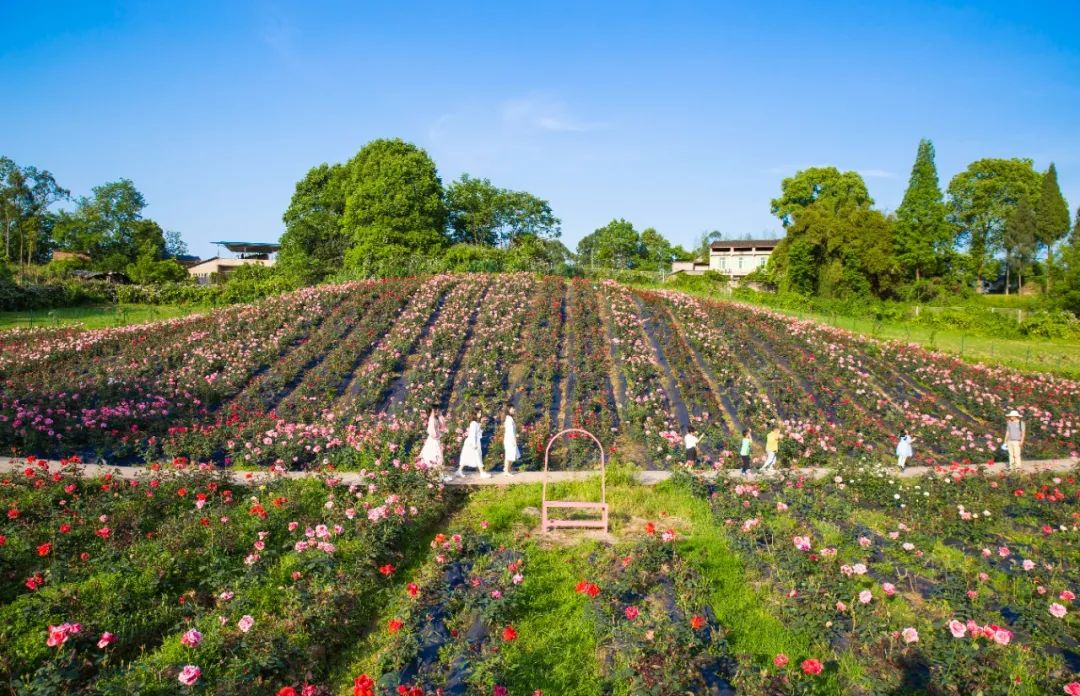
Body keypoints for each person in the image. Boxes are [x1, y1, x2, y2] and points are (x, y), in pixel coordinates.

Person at [457, 408, 490, 479]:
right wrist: (474, 445)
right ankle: (482, 473)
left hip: (474, 442)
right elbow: (472, 434)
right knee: (477, 457)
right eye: (478, 413)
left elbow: (479, 432)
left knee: (467, 457)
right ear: (474, 414)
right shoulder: (473, 423)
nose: (480, 414)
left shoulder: (476, 423)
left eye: (480, 413)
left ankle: (459, 471)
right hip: (472, 443)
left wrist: (481, 423)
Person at [419, 405, 449, 480]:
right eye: (434, 410)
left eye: (437, 410)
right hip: (433, 440)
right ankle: (431, 473)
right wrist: (437, 435)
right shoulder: (432, 419)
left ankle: (434, 473)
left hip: (435, 440)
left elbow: (443, 425)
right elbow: (431, 431)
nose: (436, 411)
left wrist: (440, 415)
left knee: (436, 454)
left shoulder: (436, 418)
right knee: (433, 454)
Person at [502, 404, 520, 476]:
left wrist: (516, 435)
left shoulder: (509, 418)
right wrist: (513, 439)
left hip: (510, 439)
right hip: (510, 440)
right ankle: (506, 471)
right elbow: (510, 431)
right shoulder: (508, 419)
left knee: (513, 455)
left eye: (514, 408)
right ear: (508, 410)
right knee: (509, 455)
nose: (514, 409)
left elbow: (512, 430)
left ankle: (507, 469)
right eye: (512, 408)